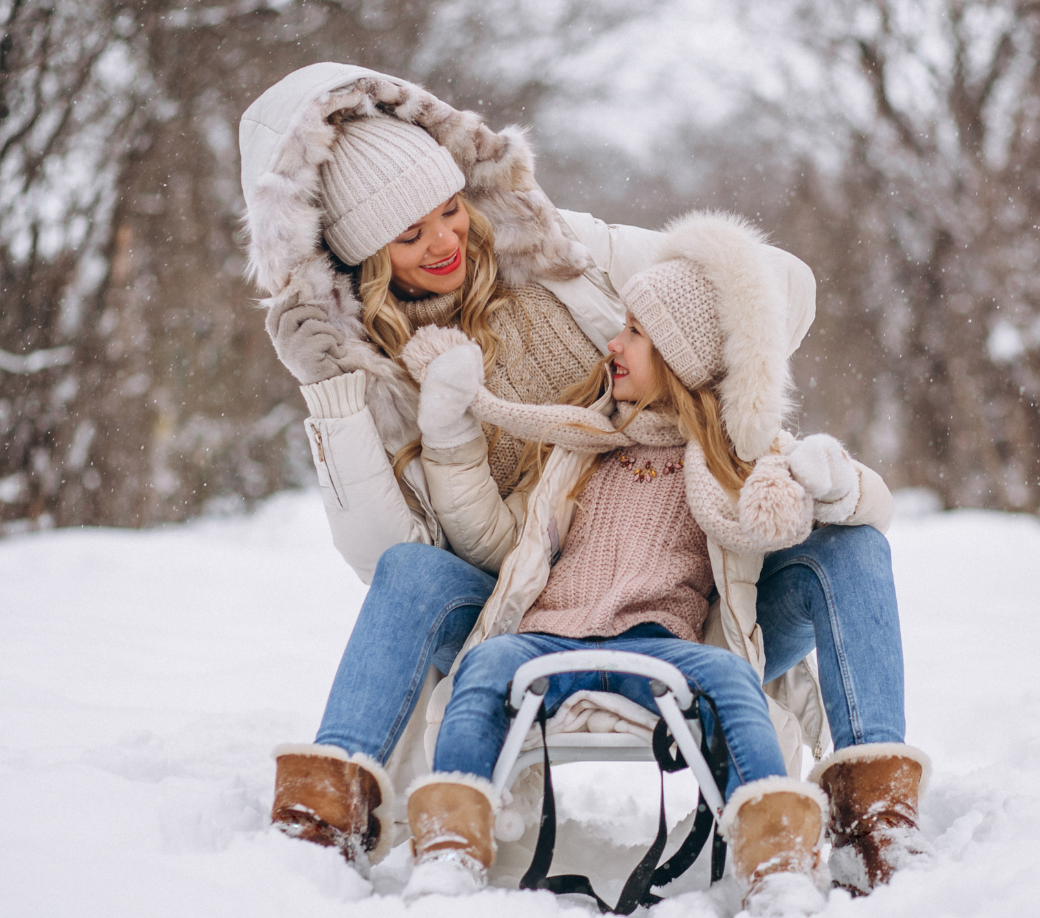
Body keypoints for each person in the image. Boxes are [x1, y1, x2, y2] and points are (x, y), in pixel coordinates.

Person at [239, 64, 924, 896]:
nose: (446, 240)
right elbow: (383, 555)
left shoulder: (562, 250)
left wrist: (727, 399)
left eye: (450, 208)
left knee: (852, 545)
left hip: (698, 602)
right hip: (520, 598)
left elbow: (779, 288)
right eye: (410, 235)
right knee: (409, 571)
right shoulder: (363, 372)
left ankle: (874, 819)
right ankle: (327, 818)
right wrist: (350, 401)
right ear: (363, 258)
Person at [396, 212, 930, 911]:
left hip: (662, 644)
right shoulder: (577, 445)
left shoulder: (729, 456)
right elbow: (505, 539)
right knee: (481, 672)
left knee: (733, 681)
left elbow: (844, 506)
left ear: (678, 357)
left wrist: (829, 482)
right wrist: (453, 427)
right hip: (547, 636)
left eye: (634, 333)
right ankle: (450, 846)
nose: (613, 345)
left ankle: (777, 855)